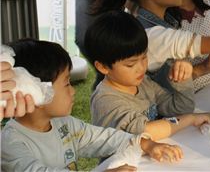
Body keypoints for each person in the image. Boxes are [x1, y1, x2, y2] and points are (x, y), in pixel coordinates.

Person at [1, 39, 182, 171]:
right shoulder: (10, 144)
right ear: (35, 93)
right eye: (66, 84)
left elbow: (104, 138)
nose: (73, 91)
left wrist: (146, 144)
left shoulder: (65, 124)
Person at [87, 10, 210, 140]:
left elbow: (180, 109)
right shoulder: (106, 101)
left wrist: (183, 80)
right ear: (103, 67)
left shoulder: (143, 83)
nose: (141, 67)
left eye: (144, 57)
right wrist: (190, 119)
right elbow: (145, 131)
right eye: (130, 64)